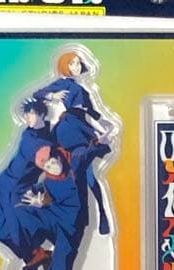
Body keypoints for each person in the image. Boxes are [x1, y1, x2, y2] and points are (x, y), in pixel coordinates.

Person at [14, 142, 109, 270]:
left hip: (73, 227)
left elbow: (91, 152)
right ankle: (39, 252)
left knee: (61, 262)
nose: (52, 167)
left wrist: (100, 144)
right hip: (55, 216)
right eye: (47, 166)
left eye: (52, 162)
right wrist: (35, 199)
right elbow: (36, 190)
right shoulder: (47, 181)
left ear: (58, 156)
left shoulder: (75, 164)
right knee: (23, 212)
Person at [37, 50, 114, 234]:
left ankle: (98, 215)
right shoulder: (63, 83)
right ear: (65, 66)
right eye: (72, 63)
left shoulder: (82, 90)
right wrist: (52, 96)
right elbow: (39, 93)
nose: (77, 66)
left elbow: (89, 114)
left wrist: (104, 128)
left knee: (87, 175)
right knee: (80, 175)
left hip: (81, 129)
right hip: (69, 130)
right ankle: (86, 217)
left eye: (78, 63)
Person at [0, 98, 53, 267]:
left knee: (15, 225)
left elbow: (53, 168)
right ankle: (32, 254)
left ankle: (35, 254)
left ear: (42, 114)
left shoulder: (49, 142)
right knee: (2, 234)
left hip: (19, 187)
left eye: (31, 113)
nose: (27, 117)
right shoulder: (28, 132)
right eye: (26, 114)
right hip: (5, 181)